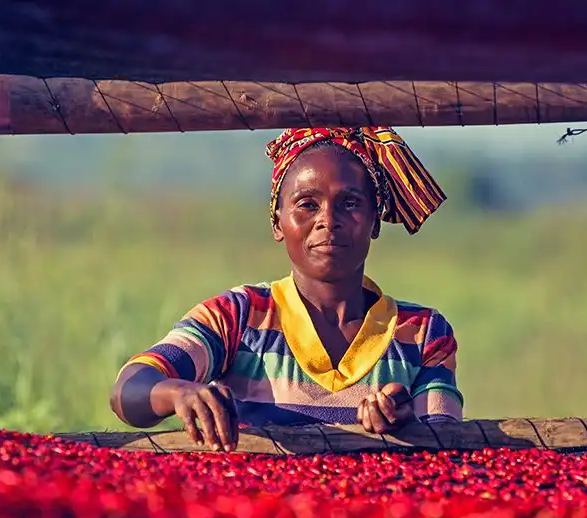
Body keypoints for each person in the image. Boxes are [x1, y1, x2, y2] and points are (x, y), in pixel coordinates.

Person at [110, 127, 463, 452]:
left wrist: (405, 423)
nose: (328, 219)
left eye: (350, 203)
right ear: (278, 222)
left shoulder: (422, 334)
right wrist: (178, 391)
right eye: (307, 204)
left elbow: (446, 444)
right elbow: (128, 392)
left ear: (375, 222)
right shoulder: (239, 317)